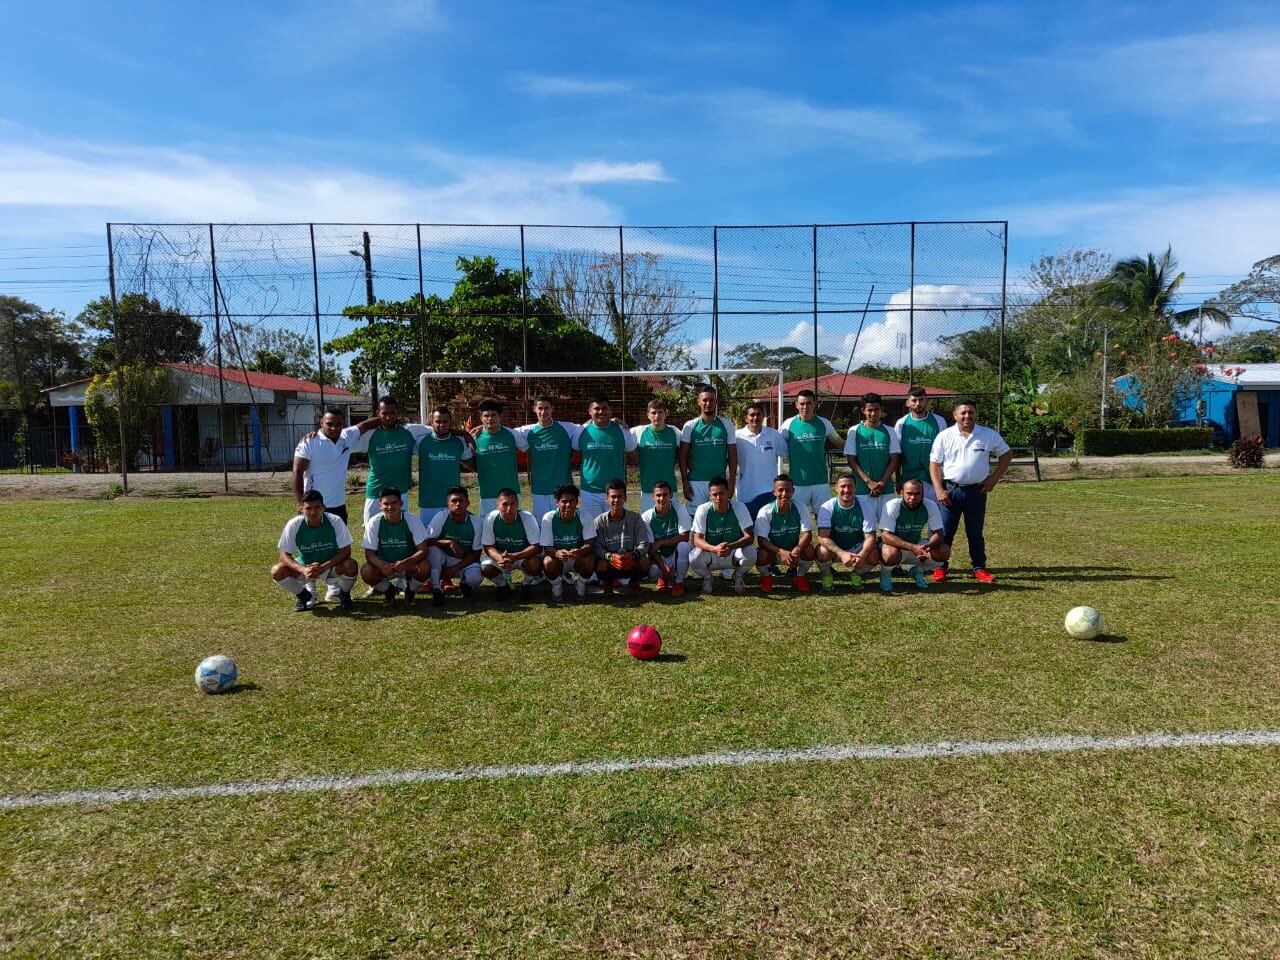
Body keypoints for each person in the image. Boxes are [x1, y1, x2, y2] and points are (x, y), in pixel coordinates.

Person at [928, 399, 1013, 584]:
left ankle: (979, 568)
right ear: (955, 415)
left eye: (971, 412)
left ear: (976, 414)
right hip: (950, 491)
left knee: (975, 532)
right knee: (945, 533)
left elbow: (1006, 454)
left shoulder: (988, 435)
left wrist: (993, 478)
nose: (967, 416)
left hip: (977, 491)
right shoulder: (945, 436)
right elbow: (934, 464)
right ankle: (940, 567)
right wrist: (939, 489)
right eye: (963, 413)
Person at [272, 490, 358, 611]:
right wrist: (303, 569)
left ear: (324, 508)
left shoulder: (335, 521)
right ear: (301, 508)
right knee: (277, 571)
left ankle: (344, 594)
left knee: (351, 565)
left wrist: (323, 567)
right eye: (308, 508)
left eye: (317, 507)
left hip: (330, 568)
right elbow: (283, 555)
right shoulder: (294, 524)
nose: (313, 512)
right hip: (305, 568)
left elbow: (346, 551)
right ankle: (303, 596)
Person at [351, 397, 430, 527]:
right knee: (372, 531)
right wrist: (319, 434)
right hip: (376, 492)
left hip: (400, 493)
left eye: (392, 413)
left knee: (399, 531)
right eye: (384, 413)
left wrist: (465, 434)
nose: (388, 417)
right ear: (378, 414)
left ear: (398, 413)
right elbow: (341, 439)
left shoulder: (410, 431)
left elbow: (438, 430)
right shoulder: (369, 434)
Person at [360, 486, 431, 606]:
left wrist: (406, 562)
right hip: (385, 566)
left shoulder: (412, 520)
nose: (390, 507)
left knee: (424, 567)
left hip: (407, 565)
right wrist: (382, 565)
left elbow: (423, 550)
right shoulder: (374, 522)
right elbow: (369, 554)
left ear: (401, 503)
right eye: (386, 503)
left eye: (394, 503)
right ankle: (389, 590)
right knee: (366, 571)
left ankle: (411, 591)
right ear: (380, 505)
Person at [879, 479, 950, 593]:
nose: (913, 497)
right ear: (901, 493)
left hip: (917, 546)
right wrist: (912, 547)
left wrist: (928, 546)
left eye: (917, 494)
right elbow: (885, 536)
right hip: (895, 547)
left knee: (944, 551)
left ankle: (917, 570)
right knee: (889, 553)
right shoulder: (892, 505)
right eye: (909, 493)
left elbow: (938, 533)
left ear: (923, 494)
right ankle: (885, 575)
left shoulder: (930, 505)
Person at [689, 475, 757, 595]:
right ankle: (708, 578)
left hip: (733, 551)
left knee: (751, 552)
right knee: (694, 556)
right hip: (712, 553)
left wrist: (731, 546)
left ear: (728, 493)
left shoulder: (739, 507)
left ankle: (738, 576)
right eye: (714, 494)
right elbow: (697, 540)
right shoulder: (703, 509)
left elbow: (750, 537)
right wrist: (715, 548)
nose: (718, 497)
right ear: (710, 495)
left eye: (722, 493)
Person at [292, 407, 361, 523]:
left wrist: (387, 419)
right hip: (314, 505)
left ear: (343, 424)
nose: (334, 428)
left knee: (340, 541)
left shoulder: (347, 437)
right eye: (329, 424)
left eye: (338, 424)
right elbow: (297, 472)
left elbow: (365, 426)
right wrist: (300, 502)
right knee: (313, 539)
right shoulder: (309, 441)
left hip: (339, 505)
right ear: (321, 423)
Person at [842, 391, 901, 529]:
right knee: (864, 529)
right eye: (870, 410)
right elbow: (851, 460)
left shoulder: (890, 431)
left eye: (876, 410)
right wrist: (869, 482)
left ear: (882, 410)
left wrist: (881, 483)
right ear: (863, 410)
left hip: (885, 489)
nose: (873, 414)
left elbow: (894, 459)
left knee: (889, 529)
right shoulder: (854, 431)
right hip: (862, 489)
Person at [780, 388, 841, 520]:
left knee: (824, 518)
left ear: (815, 404)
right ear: (796, 405)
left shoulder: (825, 423)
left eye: (808, 403)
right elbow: (777, 447)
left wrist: (858, 441)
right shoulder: (787, 424)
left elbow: (839, 442)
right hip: (797, 482)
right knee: (795, 518)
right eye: (802, 404)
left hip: (821, 482)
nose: (805, 407)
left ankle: (823, 541)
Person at [517, 395, 581, 519]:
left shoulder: (568, 428)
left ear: (553, 409)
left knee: (564, 522)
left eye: (547, 408)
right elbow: (502, 430)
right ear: (534, 409)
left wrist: (614, 420)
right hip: (540, 489)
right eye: (540, 408)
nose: (543, 412)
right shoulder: (527, 431)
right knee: (543, 524)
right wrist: (483, 426)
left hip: (564, 488)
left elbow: (589, 425)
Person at [815, 473, 880, 591]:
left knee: (874, 555)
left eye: (850, 486)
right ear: (836, 488)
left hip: (856, 548)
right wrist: (842, 553)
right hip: (835, 548)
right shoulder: (827, 507)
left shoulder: (865, 506)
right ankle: (826, 575)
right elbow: (823, 537)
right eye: (843, 486)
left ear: (856, 488)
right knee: (821, 551)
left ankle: (856, 574)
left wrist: (862, 555)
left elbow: (870, 537)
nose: (846, 490)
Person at [574, 395, 637, 516]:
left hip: (616, 491)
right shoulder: (581, 430)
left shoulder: (622, 429)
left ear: (610, 410)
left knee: (618, 529)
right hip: (589, 492)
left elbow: (634, 452)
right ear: (590, 411)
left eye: (604, 408)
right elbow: (572, 449)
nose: (601, 412)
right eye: (596, 409)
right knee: (593, 530)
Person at [753, 473, 815, 594]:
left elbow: (807, 534)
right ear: (774, 492)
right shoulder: (765, 511)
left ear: (793, 491)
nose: (784, 494)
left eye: (788, 490)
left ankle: (800, 576)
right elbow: (761, 540)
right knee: (761, 554)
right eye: (780, 490)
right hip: (774, 552)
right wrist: (780, 552)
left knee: (809, 550)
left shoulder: (800, 507)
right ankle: (766, 577)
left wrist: (797, 549)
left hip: (793, 552)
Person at [415, 406, 475, 530]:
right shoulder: (420, 441)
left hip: (453, 502)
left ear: (450, 423)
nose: (441, 425)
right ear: (432, 422)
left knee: (453, 539)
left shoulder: (459, 442)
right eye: (438, 421)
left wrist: (466, 435)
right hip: (428, 501)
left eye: (445, 421)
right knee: (430, 541)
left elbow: (472, 461)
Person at [424, 485, 484, 606]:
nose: (458, 504)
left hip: (465, 563)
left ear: (468, 503)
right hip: (444, 560)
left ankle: (466, 584)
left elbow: (476, 552)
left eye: (461, 501)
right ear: (448, 504)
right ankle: (437, 589)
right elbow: (427, 541)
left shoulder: (477, 522)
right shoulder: (442, 516)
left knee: (476, 577)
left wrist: (456, 568)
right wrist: (449, 542)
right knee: (432, 551)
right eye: (454, 501)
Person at [481, 487, 544, 600]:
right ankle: (503, 585)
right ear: (498, 505)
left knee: (535, 564)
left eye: (512, 504)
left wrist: (515, 556)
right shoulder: (490, 518)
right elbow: (488, 546)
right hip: (502, 557)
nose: (509, 508)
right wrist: (500, 558)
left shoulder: (527, 517)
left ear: (518, 504)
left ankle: (526, 584)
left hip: (522, 557)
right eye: (504, 504)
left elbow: (537, 546)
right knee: (485, 567)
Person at [680, 384, 737, 507]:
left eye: (711, 400)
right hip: (695, 482)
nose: (708, 403)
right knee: (695, 521)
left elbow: (732, 455)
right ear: (698, 402)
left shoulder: (727, 425)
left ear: (716, 402)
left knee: (716, 520)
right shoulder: (690, 426)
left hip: (719, 483)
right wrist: (684, 481)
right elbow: (683, 456)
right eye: (705, 400)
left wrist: (732, 482)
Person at [471, 397, 529, 516]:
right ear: (481, 417)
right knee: (488, 527)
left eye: (493, 415)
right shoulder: (474, 437)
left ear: (500, 416)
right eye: (486, 416)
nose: (490, 419)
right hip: (488, 492)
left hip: (511, 491)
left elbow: (527, 446)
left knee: (512, 524)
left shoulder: (513, 434)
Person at [593, 479, 651, 596]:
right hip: (611, 561)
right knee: (600, 564)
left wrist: (633, 555)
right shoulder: (599, 521)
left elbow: (643, 543)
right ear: (607, 498)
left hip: (630, 559)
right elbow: (597, 547)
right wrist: (610, 557)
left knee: (645, 561)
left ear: (625, 498)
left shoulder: (635, 518)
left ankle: (634, 582)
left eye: (620, 496)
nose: (616, 500)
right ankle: (608, 583)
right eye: (613, 497)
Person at [539, 483, 597, 600]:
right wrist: (557, 553)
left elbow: (590, 544)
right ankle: (557, 586)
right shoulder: (549, 517)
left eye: (572, 501)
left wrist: (580, 551)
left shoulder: (585, 516)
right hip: (559, 560)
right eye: (564, 501)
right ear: (557, 502)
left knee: (590, 558)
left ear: (577, 502)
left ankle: (580, 584)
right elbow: (547, 547)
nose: (568, 505)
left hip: (577, 558)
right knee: (548, 562)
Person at [735, 401, 788, 518]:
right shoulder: (737, 436)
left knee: (768, 530)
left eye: (759, 414)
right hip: (746, 492)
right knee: (749, 530)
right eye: (752, 415)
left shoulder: (773, 434)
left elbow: (785, 452)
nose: (755, 417)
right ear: (746, 418)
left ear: (763, 417)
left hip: (769, 491)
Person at [894, 386, 948, 500]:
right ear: (907, 402)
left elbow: (946, 453)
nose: (918, 404)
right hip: (909, 481)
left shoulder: (939, 421)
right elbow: (898, 455)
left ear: (926, 400)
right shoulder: (901, 424)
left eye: (921, 400)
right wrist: (898, 480)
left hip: (933, 481)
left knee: (934, 515)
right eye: (914, 400)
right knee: (911, 516)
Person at [631, 399, 682, 514]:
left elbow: (686, 450)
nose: (657, 416)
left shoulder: (675, 432)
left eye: (660, 412)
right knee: (647, 525)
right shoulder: (639, 431)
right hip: (648, 490)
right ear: (648, 415)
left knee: (673, 524)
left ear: (666, 414)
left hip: (670, 489)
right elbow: (622, 436)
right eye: (653, 413)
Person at [641, 480, 691, 596]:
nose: (662, 498)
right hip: (659, 557)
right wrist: (663, 567)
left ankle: (678, 582)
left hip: (675, 555)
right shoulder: (646, 517)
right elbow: (651, 547)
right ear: (653, 497)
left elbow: (685, 536)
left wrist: (661, 542)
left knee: (684, 547)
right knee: (652, 571)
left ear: (671, 496)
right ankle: (662, 578)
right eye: (658, 495)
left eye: (665, 495)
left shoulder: (680, 509)